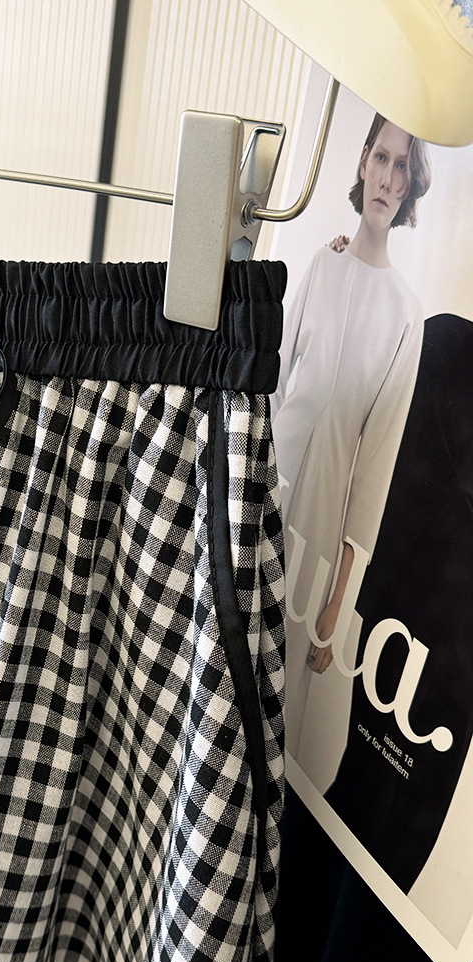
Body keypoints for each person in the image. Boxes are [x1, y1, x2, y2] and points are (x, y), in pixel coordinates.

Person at [271, 113, 431, 764]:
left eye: (402, 166)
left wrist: (340, 600)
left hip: (318, 530)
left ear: (410, 185)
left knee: (279, 706)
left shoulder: (406, 316)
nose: (387, 178)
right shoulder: (321, 263)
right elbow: (275, 385)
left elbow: (375, 473)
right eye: (380, 158)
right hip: (263, 496)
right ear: (363, 162)